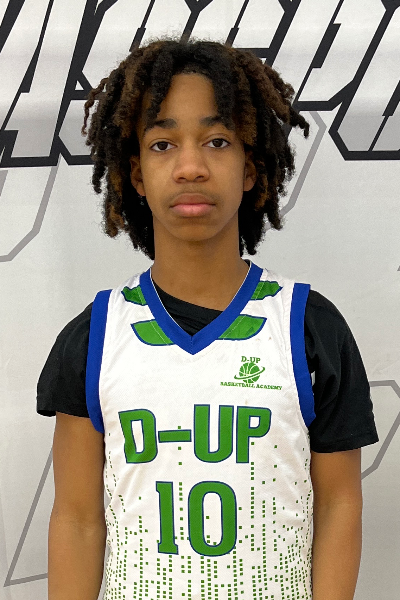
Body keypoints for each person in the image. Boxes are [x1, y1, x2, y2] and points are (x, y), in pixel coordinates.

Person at [37, 36, 379, 600]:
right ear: (137, 174)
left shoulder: (308, 327)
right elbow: (76, 519)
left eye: (218, 141)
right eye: (163, 143)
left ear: (250, 168)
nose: (191, 167)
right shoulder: (95, 336)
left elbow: (339, 502)